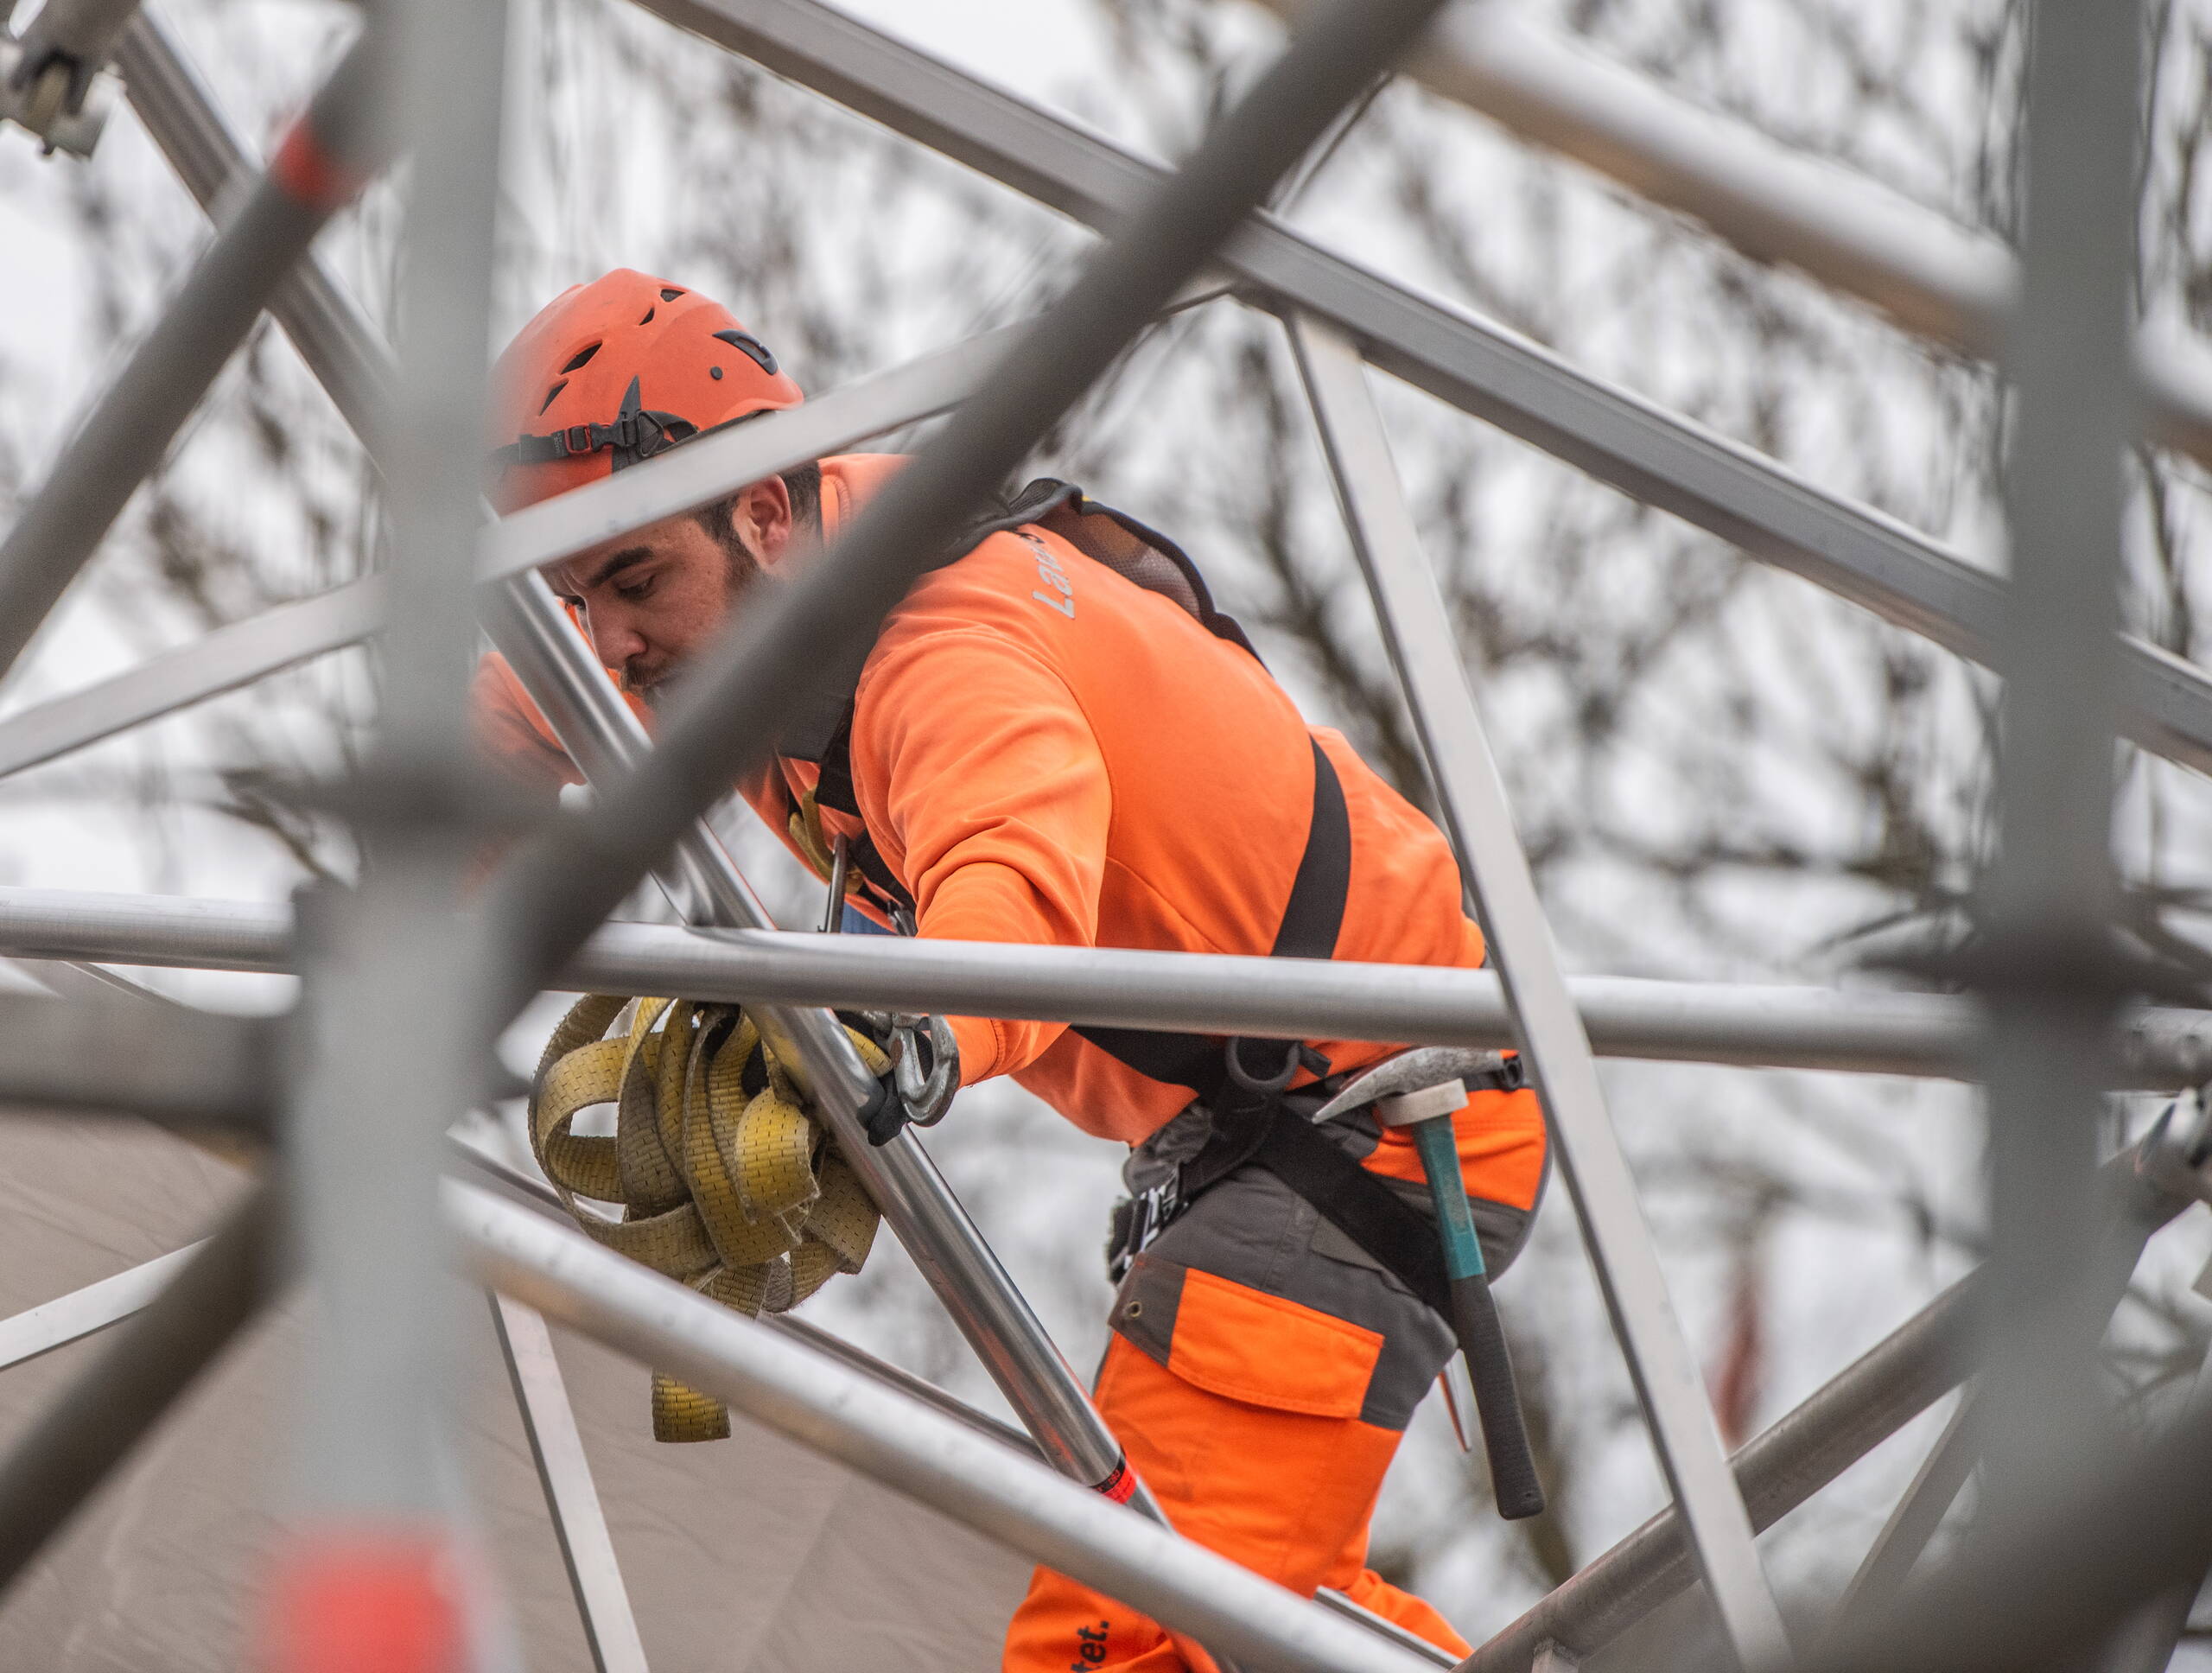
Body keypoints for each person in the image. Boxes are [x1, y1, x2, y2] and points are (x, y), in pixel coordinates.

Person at [475, 269, 1548, 1670]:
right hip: (1267, 1130)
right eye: (573, 600)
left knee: (1128, 1641)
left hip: (1373, 1130)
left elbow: (1012, 890)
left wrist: (886, 1024)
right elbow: (510, 729)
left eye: (630, 583)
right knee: (1269, 1624)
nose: (610, 642)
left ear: (760, 515)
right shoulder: (733, 607)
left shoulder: (949, 649)